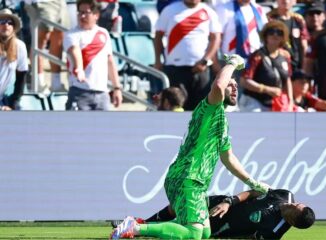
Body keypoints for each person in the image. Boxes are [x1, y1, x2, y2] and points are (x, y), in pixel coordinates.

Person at [110, 54, 271, 240]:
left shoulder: (221, 120)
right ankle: (135, 228)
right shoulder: (210, 108)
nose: (234, 87)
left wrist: (253, 182)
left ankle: (140, 225)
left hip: (196, 182)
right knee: (194, 234)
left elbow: (228, 158)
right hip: (187, 177)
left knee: (204, 232)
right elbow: (218, 85)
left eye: (236, 85)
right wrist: (233, 63)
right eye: (231, 84)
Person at [112, 189, 315, 239]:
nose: (291, 204)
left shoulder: (275, 231)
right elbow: (253, 192)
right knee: (179, 206)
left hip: (221, 226)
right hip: (223, 203)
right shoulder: (285, 195)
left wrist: (225, 233)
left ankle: (136, 229)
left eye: (293, 209)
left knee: (187, 231)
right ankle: (138, 224)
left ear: (291, 221)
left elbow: (249, 237)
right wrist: (229, 201)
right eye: (296, 204)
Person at [153, 0, 222, 110]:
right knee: (176, 108)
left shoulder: (209, 12)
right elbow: (158, 36)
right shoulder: (169, 10)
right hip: (175, 70)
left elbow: (216, 39)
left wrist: (205, 61)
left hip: (201, 71)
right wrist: (158, 60)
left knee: (201, 110)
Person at [63, 0, 122, 110]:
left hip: (102, 95)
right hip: (79, 92)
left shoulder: (103, 33)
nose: (82, 16)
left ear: (96, 15)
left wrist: (117, 88)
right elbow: (75, 51)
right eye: (80, 12)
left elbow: (109, 61)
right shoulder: (71, 34)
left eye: (87, 12)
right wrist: (79, 68)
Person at [239, 21, 293, 112]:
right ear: (265, 36)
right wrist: (266, 89)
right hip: (254, 101)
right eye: (271, 32)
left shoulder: (285, 56)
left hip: (276, 103)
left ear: (283, 37)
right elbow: (244, 81)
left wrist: (290, 101)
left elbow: (287, 79)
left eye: (279, 33)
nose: (275, 35)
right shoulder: (257, 56)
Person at [23, 0, 70, 92]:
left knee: (59, 38)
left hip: (60, 2)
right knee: (39, 42)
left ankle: (56, 84)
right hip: (41, 2)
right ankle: (39, 84)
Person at [267, 0, 309, 71]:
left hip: (297, 64)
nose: (286, 1)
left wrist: (304, 67)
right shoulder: (270, 19)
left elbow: (304, 45)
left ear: (295, 1)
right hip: (278, 65)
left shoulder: (298, 20)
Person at [0, 8, 28, 111]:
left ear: (13, 27)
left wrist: (13, 103)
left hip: (4, 98)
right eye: (1, 21)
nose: (6, 25)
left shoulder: (20, 46)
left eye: (9, 22)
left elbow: (21, 77)